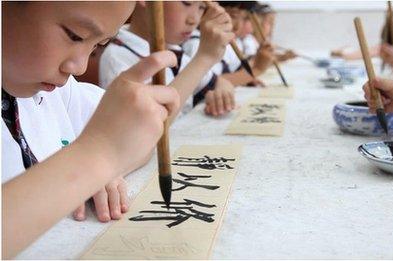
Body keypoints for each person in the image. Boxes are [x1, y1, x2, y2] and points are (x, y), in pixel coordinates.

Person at [2, 2, 180, 258]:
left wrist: (100, 166)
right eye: (75, 36)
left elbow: (135, 135)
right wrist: (93, 159)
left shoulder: (59, 91)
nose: (80, 67)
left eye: (97, 45)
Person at [99, 1, 235, 117]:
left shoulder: (172, 49)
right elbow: (148, 125)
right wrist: (204, 59)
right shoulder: (118, 58)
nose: (194, 20)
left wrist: (220, 94)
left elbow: (219, 82)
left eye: (201, 7)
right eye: (186, 2)